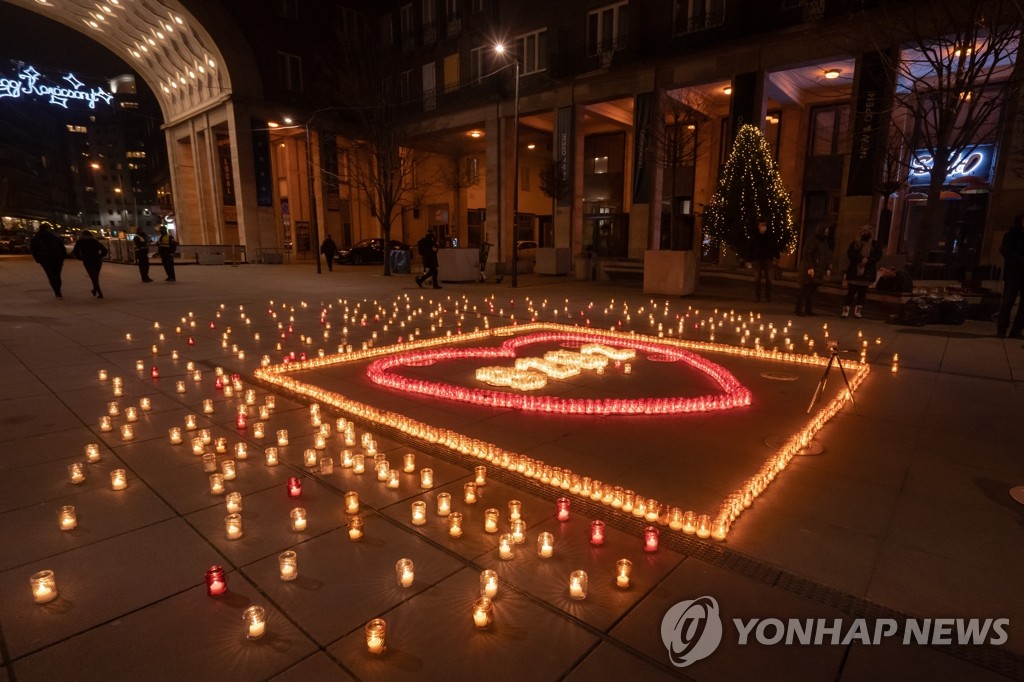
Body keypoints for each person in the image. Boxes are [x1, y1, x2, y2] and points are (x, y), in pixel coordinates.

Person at [842, 225, 882, 318]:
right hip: (855, 271)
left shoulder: (874, 245)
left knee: (862, 292)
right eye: (863, 232)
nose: (864, 234)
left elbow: (877, 255)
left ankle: (858, 311)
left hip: (867, 272)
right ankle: (846, 310)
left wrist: (868, 260)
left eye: (866, 232)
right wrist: (860, 259)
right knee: (851, 291)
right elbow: (850, 253)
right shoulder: (855, 243)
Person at [996, 214, 1024, 338]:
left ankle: (1016, 330)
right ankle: (1002, 329)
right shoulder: (1012, 235)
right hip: (1013, 274)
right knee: (1007, 303)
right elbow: (1006, 251)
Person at [795, 226, 829, 316]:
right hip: (810, 269)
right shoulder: (812, 240)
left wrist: (827, 267)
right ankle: (798, 310)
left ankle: (808, 310)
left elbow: (825, 256)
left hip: (818, 269)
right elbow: (807, 254)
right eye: (825, 230)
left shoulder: (824, 242)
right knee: (805, 289)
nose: (827, 232)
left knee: (812, 291)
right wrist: (810, 267)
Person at [29, 225, 67, 299]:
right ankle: (58, 290)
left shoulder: (36, 239)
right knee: (57, 275)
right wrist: (62, 257)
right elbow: (62, 248)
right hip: (57, 259)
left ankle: (57, 292)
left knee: (51, 275)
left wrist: (38, 259)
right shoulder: (54, 237)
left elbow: (33, 250)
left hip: (45, 259)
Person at [71, 229, 110, 298]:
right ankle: (95, 290)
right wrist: (99, 256)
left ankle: (99, 293)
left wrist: (81, 258)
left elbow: (75, 251)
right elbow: (104, 250)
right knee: (95, 276)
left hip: (87, 261)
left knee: (93, 277)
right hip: (97, 260)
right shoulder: (95, 241)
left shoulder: (80, 242)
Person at [748, 219, 776, 302]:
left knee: (769, 279)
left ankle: (768, 296)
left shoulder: (769, 236)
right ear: (758, 226)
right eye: (761, 225)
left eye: (764, 225)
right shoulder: (754, 236)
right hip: (757, 259)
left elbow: (773, 247)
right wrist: (748, 259)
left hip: (767, 259)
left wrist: (773, 258)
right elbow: (750, 248)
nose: (763, 227)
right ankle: (758, 297)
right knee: (757, 279)